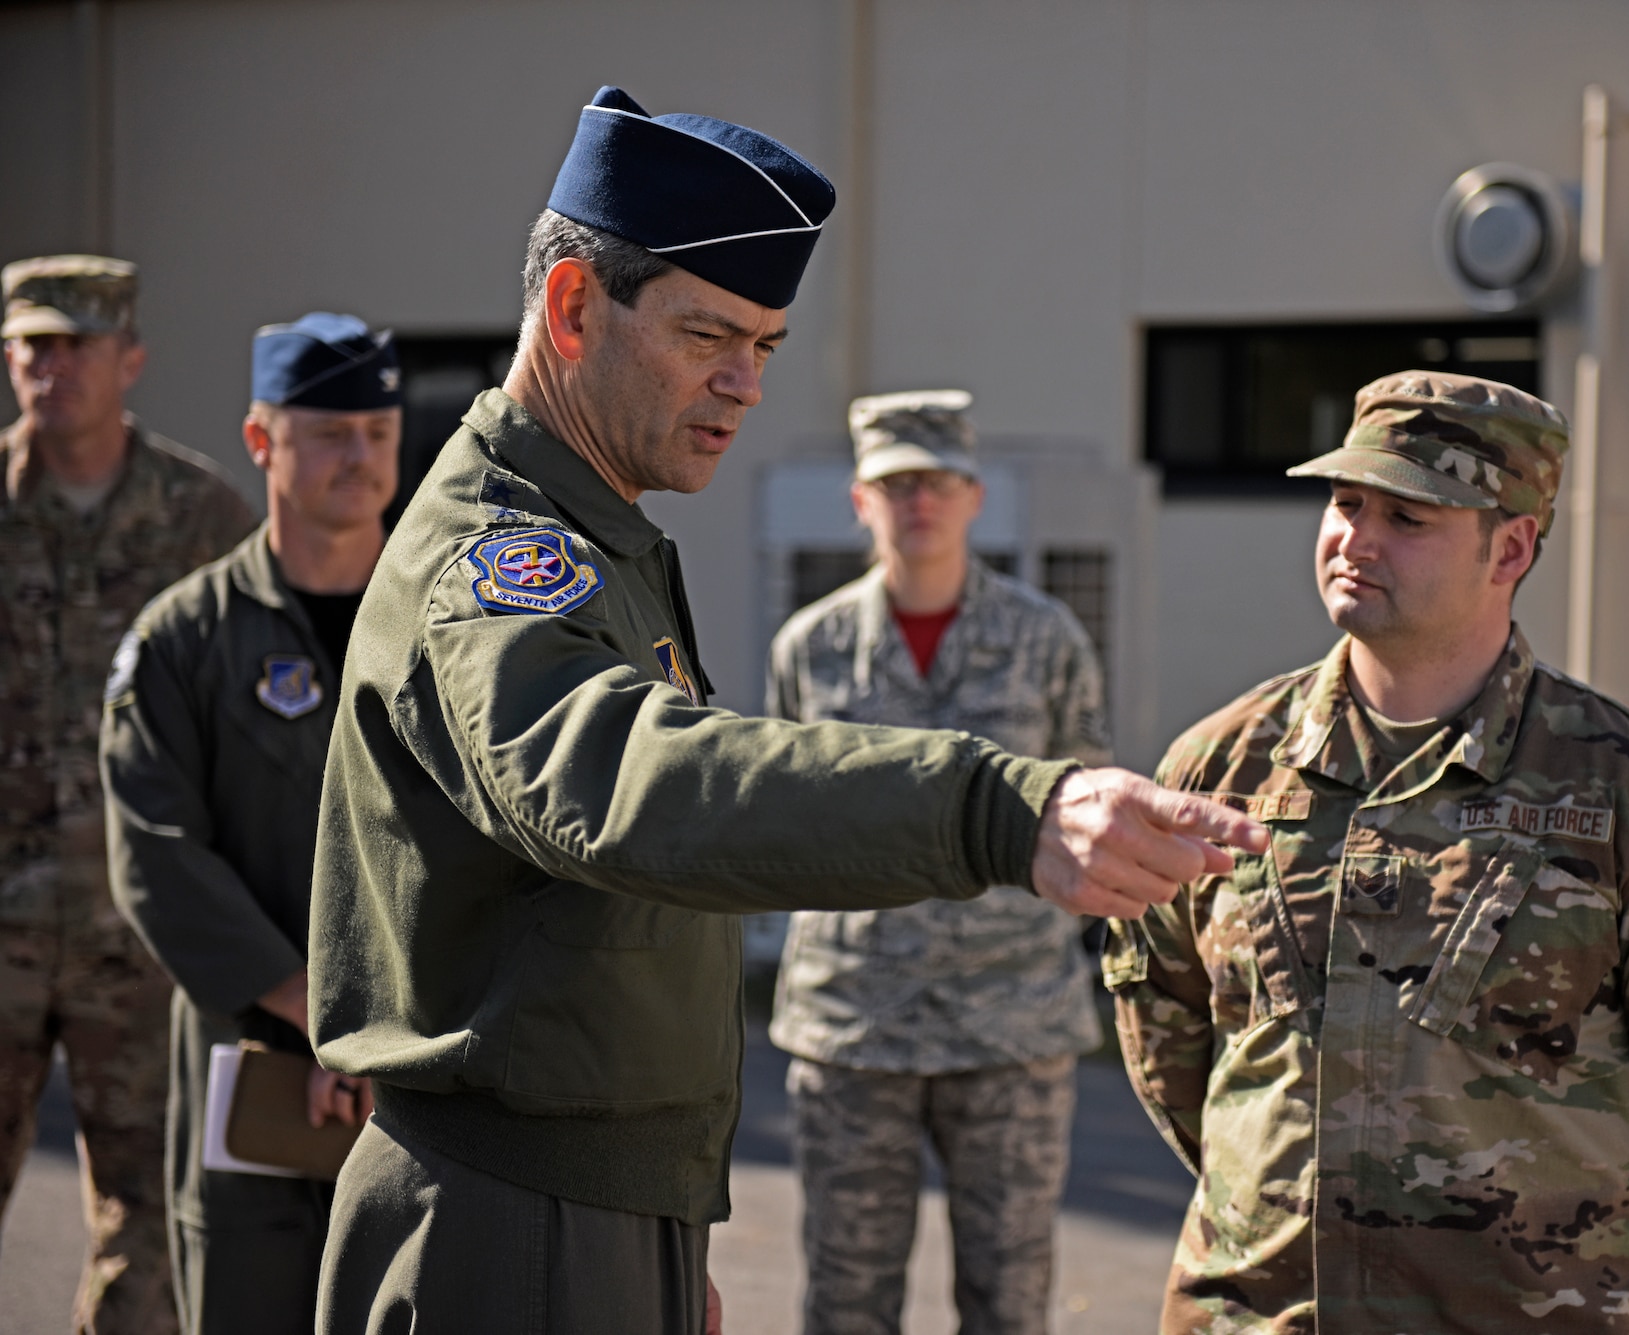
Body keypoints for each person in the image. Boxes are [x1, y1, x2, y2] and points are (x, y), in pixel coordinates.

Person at [308, 86, 1264, 1335]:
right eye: (710, 335)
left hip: (587, 1209)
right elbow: (626, 786)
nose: (744, 383)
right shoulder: (499, 561)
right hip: (515, 1220)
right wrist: (996, 807)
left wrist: (659, 1225)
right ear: (572, 307)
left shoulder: (599, 536)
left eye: (764, 345)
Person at [1104, 371, 1629, 1334]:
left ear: (1510, 547)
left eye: (1409, 516)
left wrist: (1597, 1276)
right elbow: (1168, 1026)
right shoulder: (1220, 766)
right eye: (1346, 502)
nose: (1357, 537)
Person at [767, 390, 1109, 1335]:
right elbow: (787, 823)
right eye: (896, 482)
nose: (918, 501)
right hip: (855, 1022)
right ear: (860, 502)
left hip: (1011, 1021)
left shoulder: (1045, 640)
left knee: (1008, 1302)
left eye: (938, 482)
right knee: (847, 1299)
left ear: (973, 496)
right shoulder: (813, 648)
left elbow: (1088, 804)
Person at [101, 313, 403, 1334]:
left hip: (419, 1078)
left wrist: (387, 1033)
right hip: (255, 1077)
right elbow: (157, 857)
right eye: (329, 432)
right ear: (262, 441)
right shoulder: (185, 640)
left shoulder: (448, 629)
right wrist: (319, 1017)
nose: (359, 456)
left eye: (377, 429)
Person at [0, 254, 255, 1333]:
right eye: (32, 349)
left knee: (145, 1230)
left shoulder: (201, 519)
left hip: (139, 941)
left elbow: (253, 714)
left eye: (78, 347)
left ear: (130, 359)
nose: (53, 370)